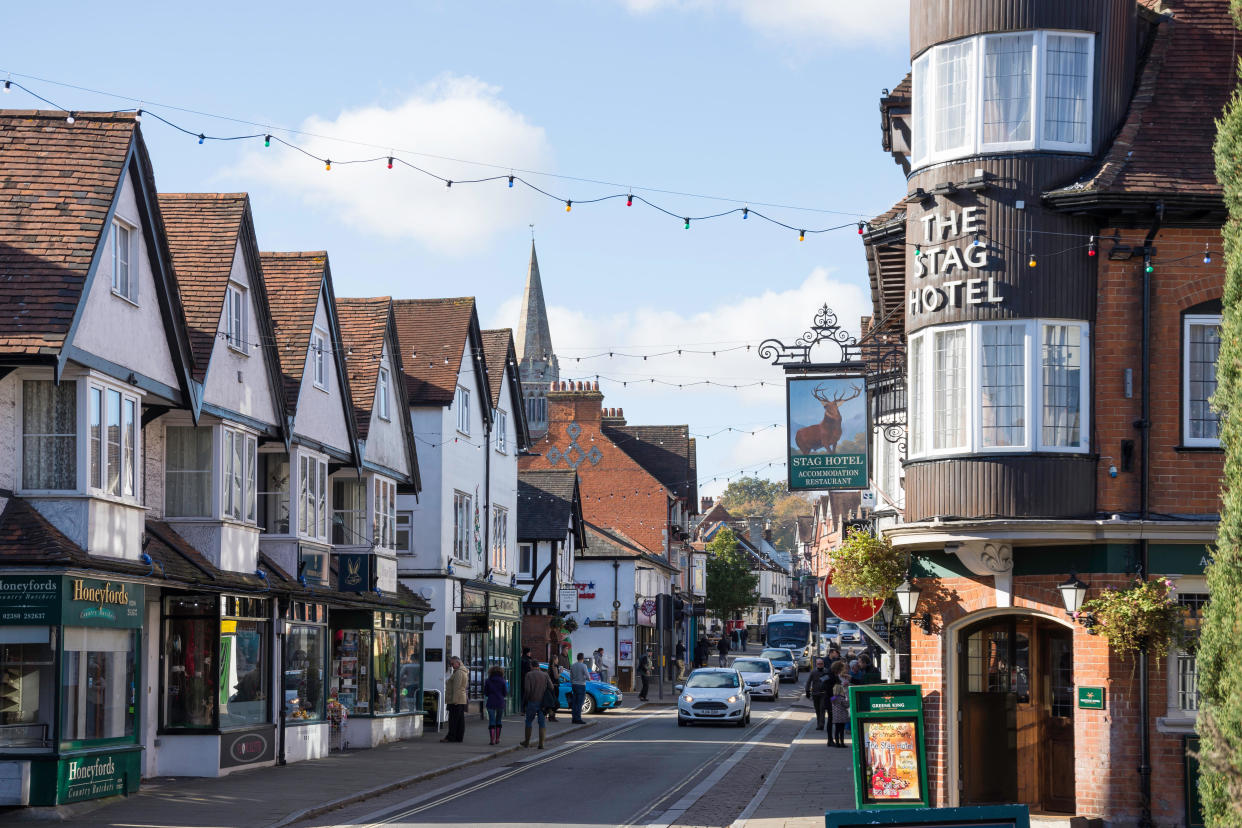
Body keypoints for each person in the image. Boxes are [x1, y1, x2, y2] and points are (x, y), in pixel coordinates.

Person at [522, 661, 554, 749]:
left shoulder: (528, 675)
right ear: (538, 666)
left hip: (532, 701)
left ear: (531, 666)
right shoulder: (545, 675)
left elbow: (527, 690)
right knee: (542, 722)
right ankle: (541, 744)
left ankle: (527, 742)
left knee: (528, 721)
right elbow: (551, 687)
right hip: (543, 703)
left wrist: (525, 701)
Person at [442, 656, 468, 743]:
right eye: (451, 664)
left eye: (452, 663)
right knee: (459, 720)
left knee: (453, 720)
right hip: (460, 699)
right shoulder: (460, 671)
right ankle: (458, 737)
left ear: (458, 663)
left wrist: (455, 700)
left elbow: (457, 687)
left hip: (456, 700)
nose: (452, 665)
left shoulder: (459, 673)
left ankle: (451, 737)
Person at [484, 665, 508, 745]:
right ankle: (497, 739)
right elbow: (505, 693)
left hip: (490, 702)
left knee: (491, 720)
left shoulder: (488, 681)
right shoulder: (503, 681)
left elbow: (486, 693)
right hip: (500, 702)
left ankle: (492, 740)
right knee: (498, 720)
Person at [805, 657, 830, 731]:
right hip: (815, 693)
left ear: (823, 664)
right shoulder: (813, 672)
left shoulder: (826, 671)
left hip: (824, 694)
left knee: (822, 709)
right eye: (818, 664)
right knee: (817, 710)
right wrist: (807, 691)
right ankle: (818, 723)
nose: (820, 665)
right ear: (816, 664)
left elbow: (829, 682)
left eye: (821, 664)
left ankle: (821, 724)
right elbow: (808, 682)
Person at [829, 663, 850, 748]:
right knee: (841, 730)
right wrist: (847, 699)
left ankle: (837, 742)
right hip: (842, 717)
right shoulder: (841, 698)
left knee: (836, 730)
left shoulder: (833, 699)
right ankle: (842, 742)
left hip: (836, 717)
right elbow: (846, 705)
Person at [570, 652, 590, 723]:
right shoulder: (583, 666)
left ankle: (574, 718)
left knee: (575, 702)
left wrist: (573, 682)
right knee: (580, 702)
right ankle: (578, 718)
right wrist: (588, 678)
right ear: (583, 658)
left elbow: (571, 676)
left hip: (574, 685)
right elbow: (588, 676)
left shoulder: (573, 665)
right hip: (581, 685)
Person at [544, 656, 561, 722]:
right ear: (554, 660)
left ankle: (551, 716)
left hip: (551, 686)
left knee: (552, 702)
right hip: (555, 686)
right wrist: (560, 672)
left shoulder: (549, 667)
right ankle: (551, 716)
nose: (558, 661)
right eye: (557, 659)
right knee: (555, 703)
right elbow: (556, 677)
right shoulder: (554, 667)